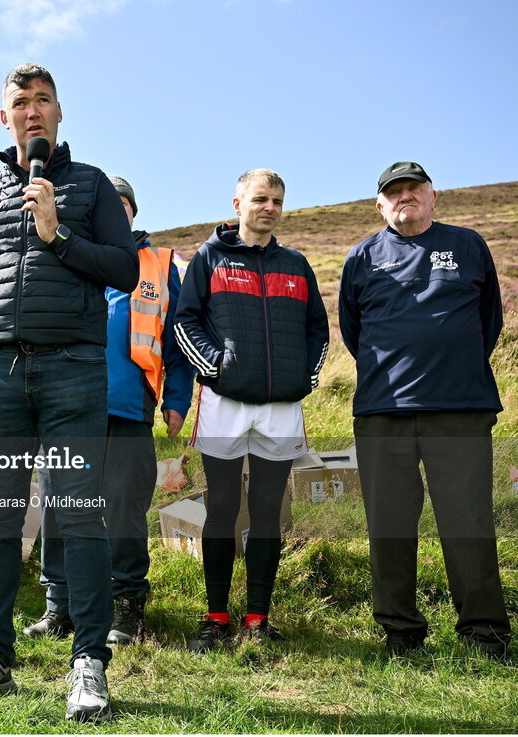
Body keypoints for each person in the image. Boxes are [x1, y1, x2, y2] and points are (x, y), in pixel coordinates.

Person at [0, 63, 138, 723]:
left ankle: (88, 661)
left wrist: (58, 234)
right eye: (21, 101)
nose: (33, 110)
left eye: (44, 100)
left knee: (77, 514)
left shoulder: (91, 185)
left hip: (74, 369)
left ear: (60, 113)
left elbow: (125, 268)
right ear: (4, 117)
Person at [339, 161, 510, 658]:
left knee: (468, 520)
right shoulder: (362, 257)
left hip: (460, 408)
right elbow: (354, 332)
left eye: (415, 189)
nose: (405, 197)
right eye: (394, 192)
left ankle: (485, 633)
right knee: (390, 524)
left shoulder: (468, 245)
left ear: (434, 197)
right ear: (379, 204)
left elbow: (489, 321)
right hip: (383, 412)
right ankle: (401, 632)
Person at [25, 175, 194, 646]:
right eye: (106, 204)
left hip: (128, 410)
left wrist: (177, 401)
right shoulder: (65, 251)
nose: (115, 211)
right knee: (60, 505)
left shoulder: (160, 265)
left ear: (134, 213)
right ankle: (59, 606)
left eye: (123, 204)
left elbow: (178, 342)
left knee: (123, 511)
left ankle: (128, 609)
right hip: (65, 407)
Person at [174, 169, 329, 652]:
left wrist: (303, 378)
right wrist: (216, 369)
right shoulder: (209, 257)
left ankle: (257, 618)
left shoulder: (297, 264)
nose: (269, 208)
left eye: (277, 201)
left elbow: (318, 331)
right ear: (238, 203)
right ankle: (215, 616)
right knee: (220, 510)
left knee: (267, 513)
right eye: (260, 199)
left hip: (281, 408)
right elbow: (185, 319)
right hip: (224, 404)